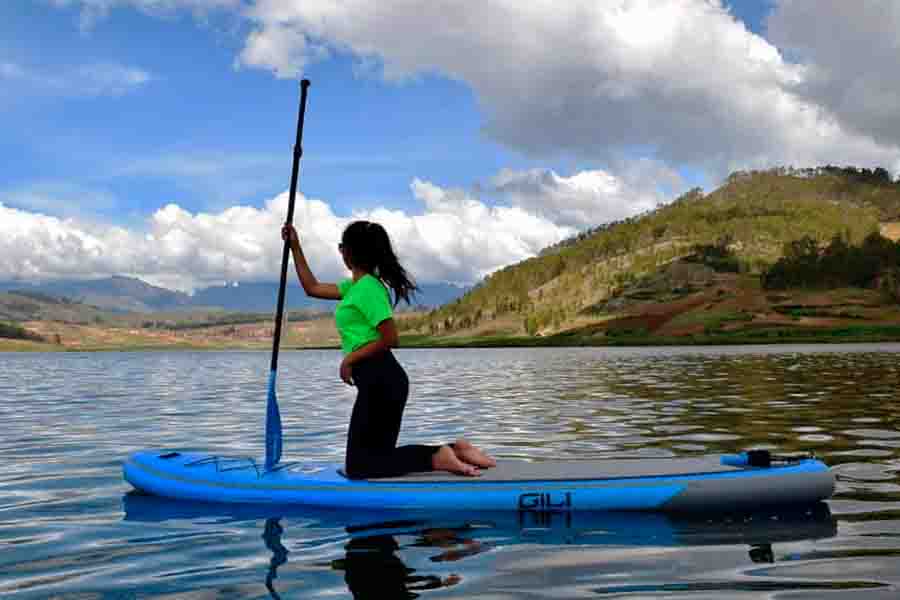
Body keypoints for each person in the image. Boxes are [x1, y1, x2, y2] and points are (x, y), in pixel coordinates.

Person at [281, 220, 496, 479]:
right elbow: (312, 288)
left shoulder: (368, 289)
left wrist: (349, 359)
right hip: (383, 381)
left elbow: (390, 338)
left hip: (380, 380)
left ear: (350, 252)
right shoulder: (354, 288)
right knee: (374, 459)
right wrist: (295, 246)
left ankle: (438, 456)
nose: (341, 252)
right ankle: (456, 450)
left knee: (360, 467)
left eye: (341, 247)